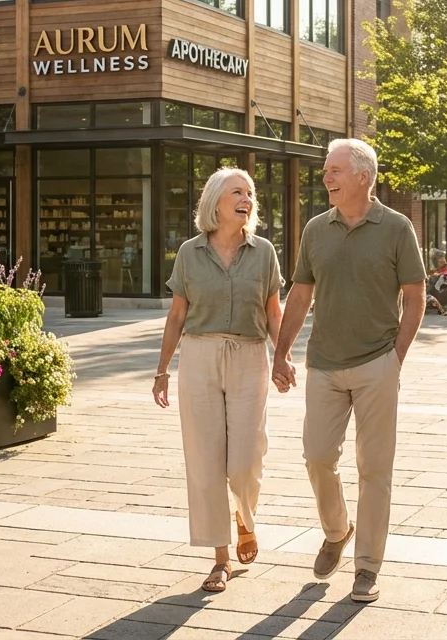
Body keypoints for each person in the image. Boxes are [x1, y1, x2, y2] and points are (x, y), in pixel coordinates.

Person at [271, 138, 426, 604]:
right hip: (323, 364)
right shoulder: (316, 229)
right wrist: (280, 354)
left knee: (374, 468)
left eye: (334, 170)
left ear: (363, 176)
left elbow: (415, 297)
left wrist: (395, 357)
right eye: (325, 170)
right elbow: (299, 297)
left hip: (377, 361)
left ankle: (367, 566)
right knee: (317, 456)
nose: (326, 177)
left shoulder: (397, 227)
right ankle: (337, 530)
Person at [153, 168, 284, 594]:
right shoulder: (190, 253)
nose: (247, 199)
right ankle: (220, 557)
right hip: (200, 355)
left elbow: (273, 312)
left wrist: (282, 357)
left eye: (250, 193)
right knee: (206, 462)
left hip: (249, 355)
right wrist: (161, 371)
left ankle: (246, 518)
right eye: (237, 192)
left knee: (246, 459)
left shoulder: (264, 252)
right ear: (215, 202)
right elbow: (176, 316)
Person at [425, 251, 447, 315]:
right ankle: (442, 311)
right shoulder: (436, 271)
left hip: (440, 290)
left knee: (431, 297)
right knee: (431, 297)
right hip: (431, 291)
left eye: (440, 262)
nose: (439, 264)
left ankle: (442, 311)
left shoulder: (446, 271)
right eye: (438, 262)